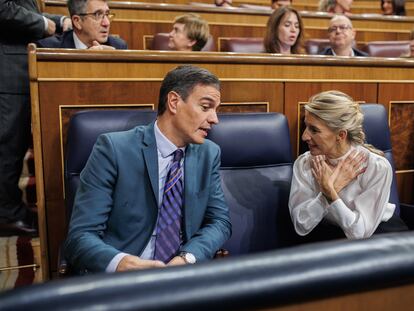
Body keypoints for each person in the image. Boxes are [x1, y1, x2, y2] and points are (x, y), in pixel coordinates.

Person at [64, 65, 232, 274]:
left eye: (216, 110)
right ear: (174, 102)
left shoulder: (209, 153)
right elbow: (80, 237)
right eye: (206, 107)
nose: (215, 119)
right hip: (126, 277)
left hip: (182, 275)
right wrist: (122, 263)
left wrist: (188, 257)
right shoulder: (113, 149)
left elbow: (219, 222)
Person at [289, 90, 407, 241]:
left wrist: (331, 193)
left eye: (314, 130)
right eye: (306, 127)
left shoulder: (377, 167)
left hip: (378, 236)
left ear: (341, 135)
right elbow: (301, 224)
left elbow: (359, 233)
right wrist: (330, 190)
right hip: (329, 234)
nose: (304, 136)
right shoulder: (304, 163)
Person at [0, 0, 71, 235]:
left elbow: (23, 10)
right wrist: (42, 23)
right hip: (7, 67)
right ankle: (6, 214)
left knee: (15, 143)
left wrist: (59, 21)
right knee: (8, 144)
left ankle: (11, 207)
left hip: (13, 66)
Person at [37, 0, 127, 50]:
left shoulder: (118, 47)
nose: (106, 23)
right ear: (77, 22)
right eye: (97, 15)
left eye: (107, 14)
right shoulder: (50, 49)